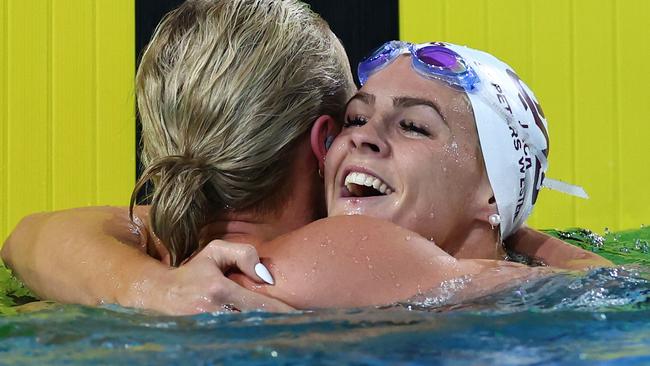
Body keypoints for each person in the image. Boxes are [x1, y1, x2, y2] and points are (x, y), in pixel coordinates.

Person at [1, 1, 609, 314]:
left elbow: (25, 236)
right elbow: (596, 292)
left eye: (415, 126)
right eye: (357, 116)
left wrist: (144, 289)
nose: (368, 137)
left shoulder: (153, 255)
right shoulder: (348, 252)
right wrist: (535, 246)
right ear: (324, 141)